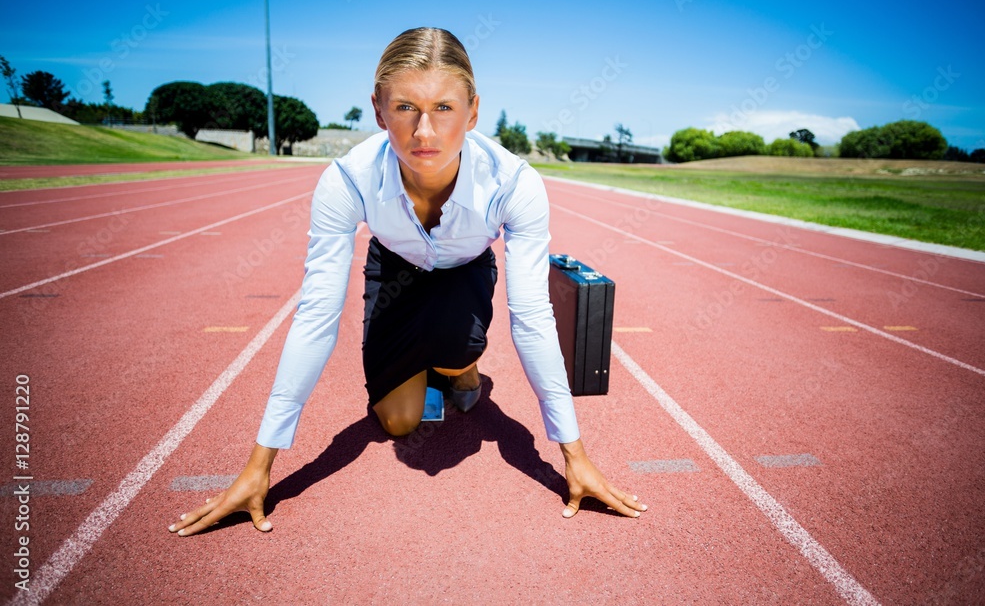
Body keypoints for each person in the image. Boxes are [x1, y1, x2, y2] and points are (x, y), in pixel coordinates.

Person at [168, 27, 647, 537]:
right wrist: (258, 466)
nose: (424, 132)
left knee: (453, 350)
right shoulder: (347, 179)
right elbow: (316, 317)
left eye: (444, 107)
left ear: (473, 112)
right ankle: (433, 361)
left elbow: (531, 317)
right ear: (378, 111)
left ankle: (461, 364)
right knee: (398, 422)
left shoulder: (513, 183)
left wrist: (573, 453)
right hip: (394, 270)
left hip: (465, 270)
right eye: (405, 108)